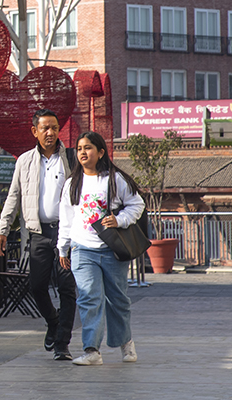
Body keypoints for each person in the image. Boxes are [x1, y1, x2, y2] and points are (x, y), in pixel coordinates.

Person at [0, 109, 78, 361]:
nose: (51, 132)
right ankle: (53, 322)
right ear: (35, 131)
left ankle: (62, 343)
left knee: (66, 288)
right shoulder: (24, 161)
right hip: (39, 234)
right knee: (37, 286)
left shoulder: (72, 158)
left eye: (54, 127)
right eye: (45, 128)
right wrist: (3, 230)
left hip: (66, 234)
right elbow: (14, 197)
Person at [57, 131, 144, 366]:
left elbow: (137, 204)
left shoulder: (115, 179)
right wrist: (62, 248)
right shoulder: (71, 183)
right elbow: (66, 218)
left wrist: (120, 219)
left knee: (117, 299)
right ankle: (91, 350)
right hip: (82, 249)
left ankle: (126, 343)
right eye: (79, 149)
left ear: (101, 152)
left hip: (113, 249)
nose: (83, 153)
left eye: (88, 148)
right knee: (88, 298)